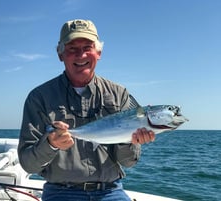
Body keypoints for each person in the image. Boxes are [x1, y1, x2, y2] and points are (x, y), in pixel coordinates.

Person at [18, 19, 155, 201]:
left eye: (87, 47)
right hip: (61, 192)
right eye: (72, 48)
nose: (81, 55)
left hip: (110, 191)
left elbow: (128, 162)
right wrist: (51, 144)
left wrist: (128, 139)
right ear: (60, 54)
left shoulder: (119, 94)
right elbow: (29, 165)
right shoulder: (39, 98)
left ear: (98, 52)